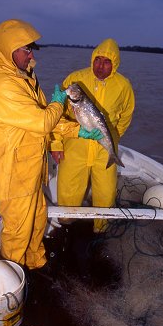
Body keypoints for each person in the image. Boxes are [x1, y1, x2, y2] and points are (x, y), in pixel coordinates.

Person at [0, 18, 81, 274]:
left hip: (29, 168)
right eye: (26, 49)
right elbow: (45, 121)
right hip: (12, 173)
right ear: (8, 48)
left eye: (31, 48)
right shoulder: (1, 85)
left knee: (37, 220)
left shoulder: (22, 77)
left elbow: (43, 121)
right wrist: (58, 103)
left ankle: (36, 263)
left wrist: (80, 131)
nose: (31, 54)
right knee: (17, 232)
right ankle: (12, 281)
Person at [50, 38, 135, 234]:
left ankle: (100, 232)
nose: (100, 66)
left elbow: (126, 116)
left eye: (107, 62)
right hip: (74, 145)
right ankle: (65, 227)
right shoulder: (75, 79)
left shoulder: (124, 86)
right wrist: (56, 144)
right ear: (92, 58)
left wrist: (112, 137)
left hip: (104, 150)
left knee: (105, 194)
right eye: (98, 60)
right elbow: (56, 114)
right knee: (68, 191)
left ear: (114, 64)